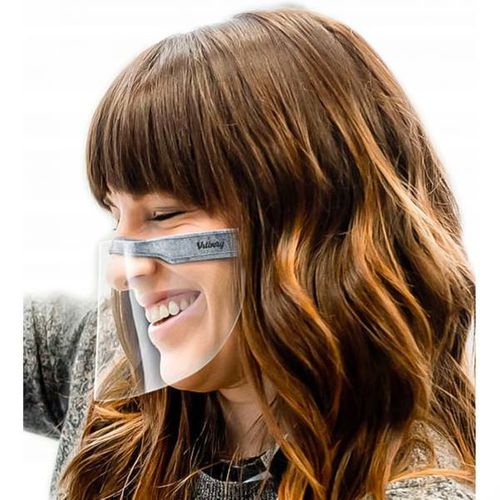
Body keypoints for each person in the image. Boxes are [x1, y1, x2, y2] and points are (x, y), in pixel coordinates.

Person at [23, 6, 475, 499]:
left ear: (311, 222)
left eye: (165, 214)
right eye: (116, 217)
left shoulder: (413, 489)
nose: (120, 272)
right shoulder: (116, 359)